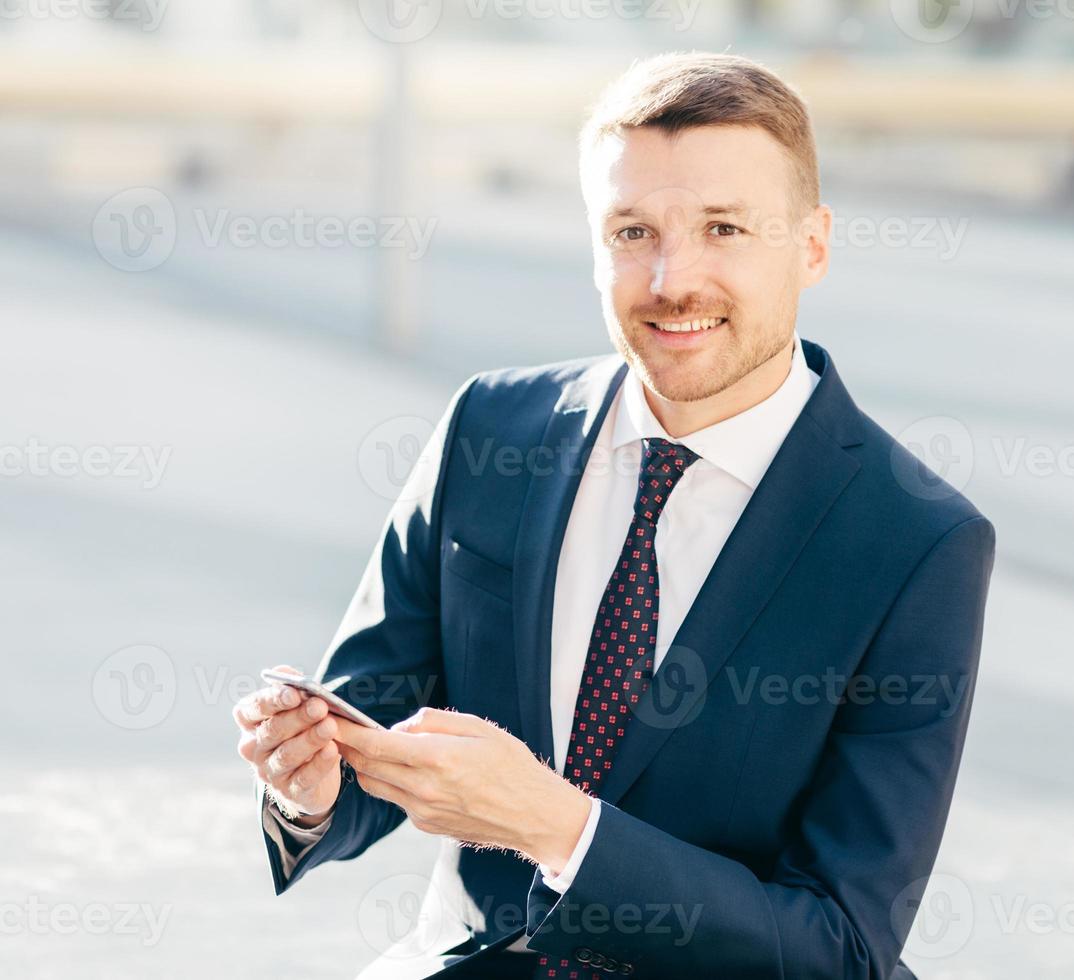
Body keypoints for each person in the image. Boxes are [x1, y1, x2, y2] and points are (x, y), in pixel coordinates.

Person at [232, 51, 995, 980]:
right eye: (633, 231)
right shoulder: (490, 427)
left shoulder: (916, 541)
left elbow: (842, 945)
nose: (673, 279)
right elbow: (375, 725)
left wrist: (555, 826)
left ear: (812, 246)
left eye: (723, 227)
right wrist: (312, 786)